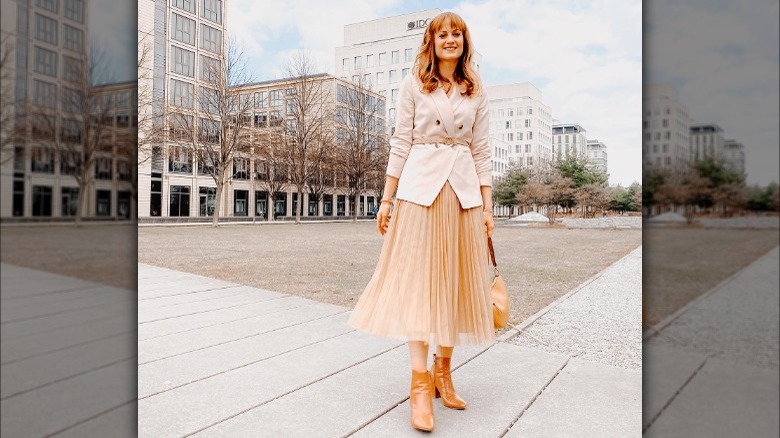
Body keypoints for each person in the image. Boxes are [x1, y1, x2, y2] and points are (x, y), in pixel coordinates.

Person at [347, 11, 495, 432]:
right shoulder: (414, 83)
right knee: (417, 286)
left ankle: (444, 373)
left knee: (454, 284)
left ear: (465, 42)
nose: (450, 40)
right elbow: (400, 140)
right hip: (419, 192)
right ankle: (418, 385)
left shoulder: (476, 88)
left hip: (464, 193)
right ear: (431, 42)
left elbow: (482, 150)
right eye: (442, 34)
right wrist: (386, 198)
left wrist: (487, 207)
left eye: (457, 34)